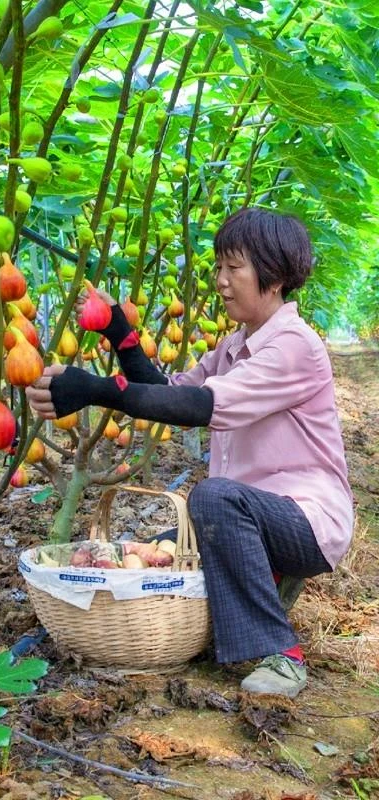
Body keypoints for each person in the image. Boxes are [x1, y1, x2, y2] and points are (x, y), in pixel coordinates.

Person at [25, 208, 353, 698]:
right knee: (160, 547)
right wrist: (121, 334)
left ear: (275, 274)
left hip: (305, 521)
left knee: (212, 500)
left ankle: (280, 653)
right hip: (251, 513)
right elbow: (166, 390)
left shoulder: (294, 346)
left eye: (233, 268)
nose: (221, 281)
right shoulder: (235, 346)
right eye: (218, 268)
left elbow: (198, 406)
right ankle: (265, 580)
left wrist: (96, 389)